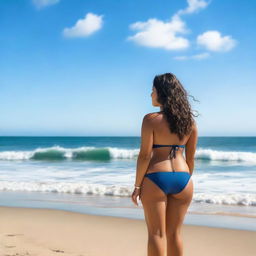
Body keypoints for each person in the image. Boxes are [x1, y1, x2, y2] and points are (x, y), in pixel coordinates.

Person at [131, 72, 198, 256]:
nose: (151, 94)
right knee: (175, 234)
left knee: (156, 234)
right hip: (184, 180)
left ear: (161, 92)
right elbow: (190, 159)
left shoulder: (150, 120)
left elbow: (144, 156)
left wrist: (137, 186)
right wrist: (183, 180)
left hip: (156, 177)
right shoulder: (190, 123)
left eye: (152, 90)